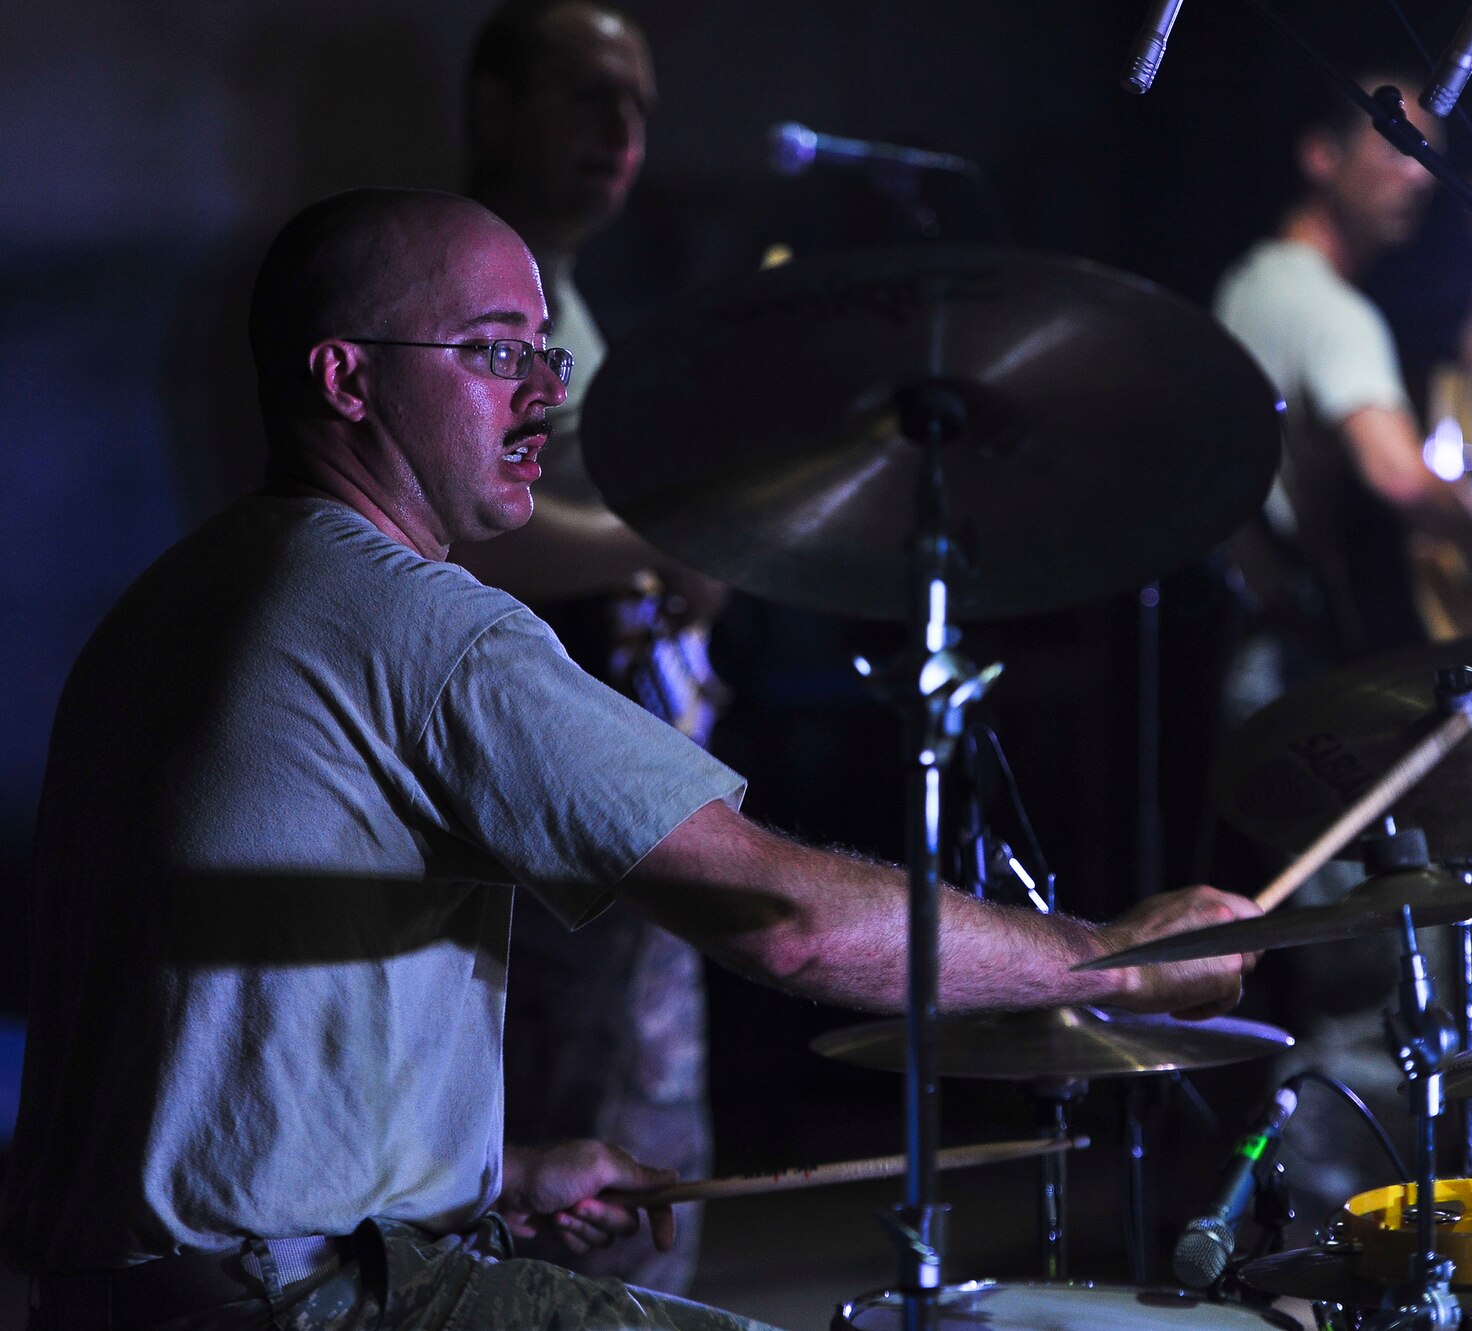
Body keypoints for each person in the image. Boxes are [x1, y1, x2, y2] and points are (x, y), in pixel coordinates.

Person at [0, 188, 1256, 1331]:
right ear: (345, 379)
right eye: (496, 352)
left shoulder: (168, 604)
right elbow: (781, 917)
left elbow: (223, 1052)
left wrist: (492, 1173)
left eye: (541, 353)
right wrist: (1118, 967)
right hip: (301, 1300)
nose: (543, 393)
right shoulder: (425, 625)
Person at [1209, 77, 1472, 1217]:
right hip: (1307, 677)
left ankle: (1320, 1243)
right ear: (1317, 153)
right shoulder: (1325, 309)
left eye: (1429, 154)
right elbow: (1399, 478)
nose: (1417, 175)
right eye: (1397, 148)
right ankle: (1332, 1259)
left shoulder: (1250, 287)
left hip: (1254, 667)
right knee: (1370, 989)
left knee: (1334, 977)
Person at [452, 0, 728, 1297]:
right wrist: (647, 547)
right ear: (494, 107)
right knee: (570, 1140)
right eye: (589, 100)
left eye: (641, 112)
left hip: (587, 755)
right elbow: (454, 524)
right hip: (513, 791)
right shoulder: (469, 274)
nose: (623, 135)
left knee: (627, 1112)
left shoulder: (559, 283)